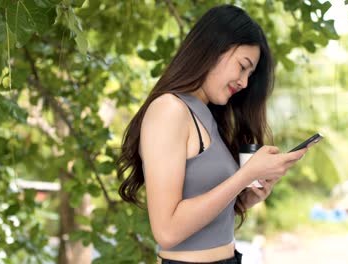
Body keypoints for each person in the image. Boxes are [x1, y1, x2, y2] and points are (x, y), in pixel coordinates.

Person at [117, 4, 307, 263]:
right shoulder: (169, 110)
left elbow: (204, 213)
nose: (244, 82)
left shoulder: (210, 116)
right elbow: (167, 230)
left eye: (250, 74)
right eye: (242, 66)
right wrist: (245, 175)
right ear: (213, 48)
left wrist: (247, 198)